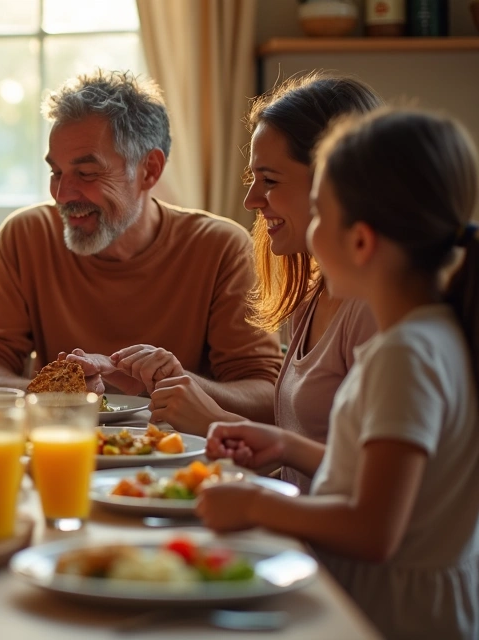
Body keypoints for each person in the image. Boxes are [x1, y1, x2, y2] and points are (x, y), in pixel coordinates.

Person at [198, 109, 479, 639]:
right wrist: (286, 446)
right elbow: (384, 482)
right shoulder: (432, 334)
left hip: (397, 617)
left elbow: (374, 529)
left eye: (321, 215)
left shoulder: (405, 356)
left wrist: (257, 504)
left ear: (361, 242)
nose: (313, 231)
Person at [0, 69, 282, 426]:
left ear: (149, 170)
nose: (62, 194)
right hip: (61, 448)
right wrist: (50, 398)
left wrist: (169, 383)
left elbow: (266, 394)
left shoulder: (219, 247)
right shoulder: (26, 235)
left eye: (87, 173)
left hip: (178, 460)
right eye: (56, 172)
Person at [145, 73, 381, 488]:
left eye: (270, 181)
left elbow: (376, 487)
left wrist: (214, 421)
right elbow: (298, 467)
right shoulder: (312, 296)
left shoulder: (373, 311)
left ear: (333, 185)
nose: (251, 200)